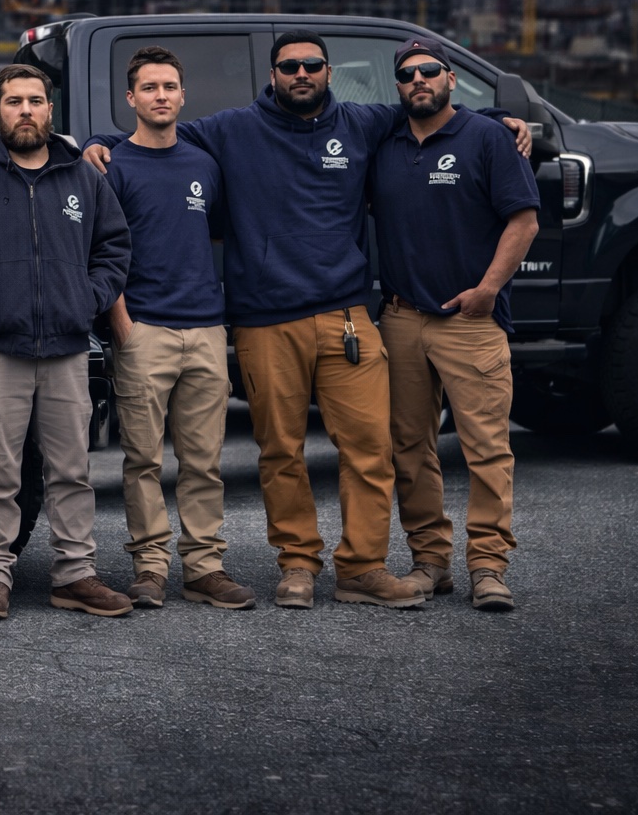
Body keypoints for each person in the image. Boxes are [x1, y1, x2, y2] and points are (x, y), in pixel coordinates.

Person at [84, 31, 528, 610]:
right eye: (288, 65)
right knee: (280, 452)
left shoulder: (364, 123)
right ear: (272, 75)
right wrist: (95, 140)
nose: (301, 72)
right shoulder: (232, 129)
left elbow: (433, 111)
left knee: (370, 447)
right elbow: (150, 137)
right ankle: (296, 565)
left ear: (328, 72)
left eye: (312, 64)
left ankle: (362, 569)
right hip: (265, 321)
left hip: (346, 316)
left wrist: (498, 118)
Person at [0, 63, 133, 619]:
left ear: (51, 110)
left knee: (71, 468)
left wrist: (86, 299)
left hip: (67, 347)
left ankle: (74, 574)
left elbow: (114, 248)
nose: (26, 110)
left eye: (35, 101)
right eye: (14, 101)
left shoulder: (84, 179)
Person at [371, 36, 540, 612]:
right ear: (397, 86)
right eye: (407, 74)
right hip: (399, 318)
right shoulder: (384, 141)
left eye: (430, 71)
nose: (419, 80)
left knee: (487, 448)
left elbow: (523, 221)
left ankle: (489, 567)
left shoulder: (489, 137)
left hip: (469, 319)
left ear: (450, 79)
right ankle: (430, 563)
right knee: (409, 448)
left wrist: (488, 290)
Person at [104, 46, 254, 611]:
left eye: (169, 87)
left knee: (204, 461)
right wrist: (125, 328)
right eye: (149, 87)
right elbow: (102, 253)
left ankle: (204, 568)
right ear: (132, 98)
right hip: (145, 331)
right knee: (142, 460)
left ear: (182, 96)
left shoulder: (202, 165)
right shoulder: (113, 166)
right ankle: (149, 568)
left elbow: (213, 237)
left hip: (206, 331)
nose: (160, 96)